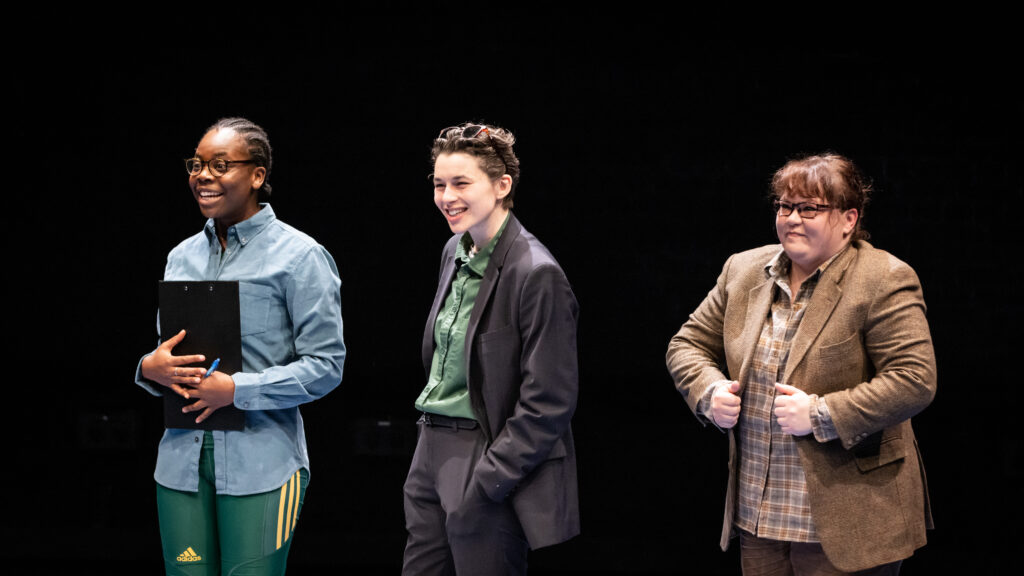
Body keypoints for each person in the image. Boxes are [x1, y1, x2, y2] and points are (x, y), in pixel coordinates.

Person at [666, 153, 936, 575]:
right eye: (785, 206)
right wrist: (709, 391)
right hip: (759, 516)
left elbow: (914, 380)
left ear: (848, 219)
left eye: (810, 208)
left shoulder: (883, 278)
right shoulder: (743, 269)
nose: (792, 218)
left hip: (847, 521)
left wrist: (820, 413)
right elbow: (687, 344)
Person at [135, 117, 345, 575]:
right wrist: (150, 368)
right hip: (180, 465)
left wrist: (236, 390)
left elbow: (327, 366)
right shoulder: (180, 256)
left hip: (262, 467)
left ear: (257, 175)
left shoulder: (301, 256)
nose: (203, 176)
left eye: (220, 165)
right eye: (197, 165)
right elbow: (167, 353)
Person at [402, 123, 580, 575]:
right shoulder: (454, 249)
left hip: (483, 451)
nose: (447, 197)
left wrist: (489, 477)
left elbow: (549, 400)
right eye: (439, 184)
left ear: (502, 186)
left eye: (461, 183)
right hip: (431, 446)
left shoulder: (536, 273)